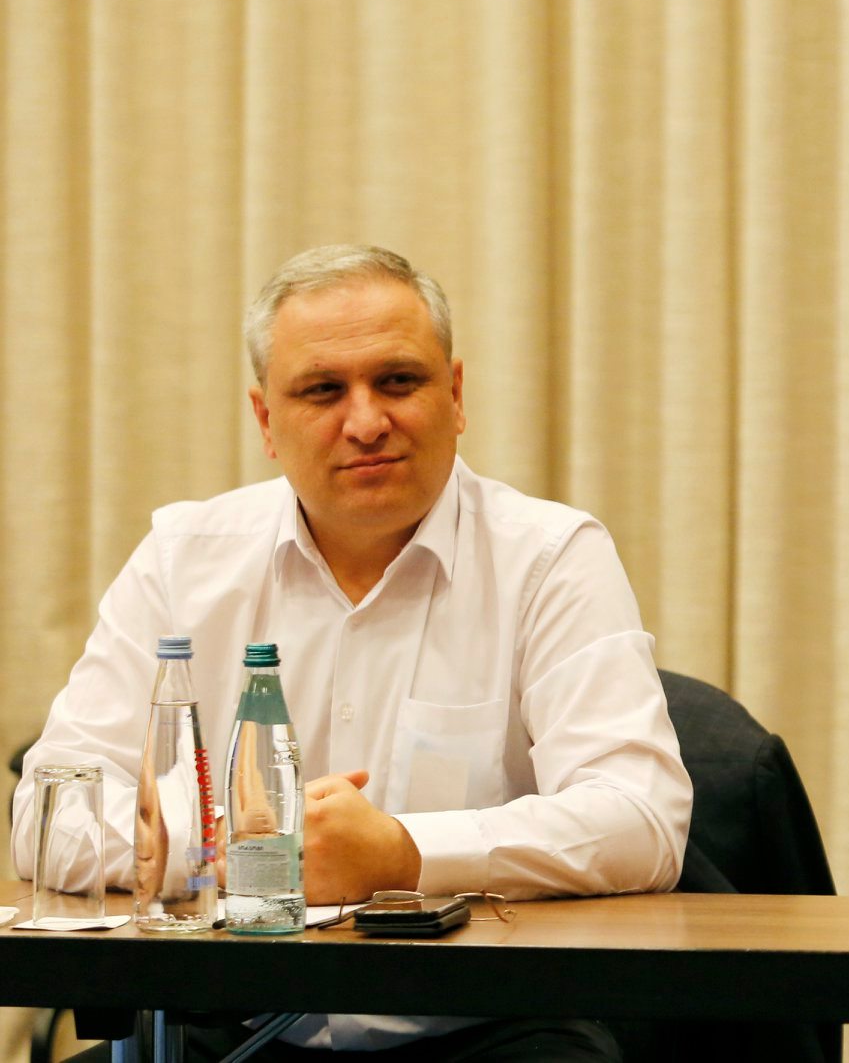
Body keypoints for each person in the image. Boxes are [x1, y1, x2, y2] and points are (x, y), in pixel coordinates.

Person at [12, 245, 692, 1060]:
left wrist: (403, 852)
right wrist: (234, 849)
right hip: (229, 1026)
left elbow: (640, 818)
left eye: (398, 381)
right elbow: (49, 814)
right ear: (266, 421)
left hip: (485, 1027)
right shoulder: (181, 559)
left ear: (456, 396)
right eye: (323, 390)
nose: (366, 422)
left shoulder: (550, 557)